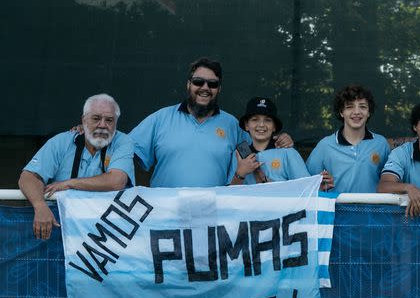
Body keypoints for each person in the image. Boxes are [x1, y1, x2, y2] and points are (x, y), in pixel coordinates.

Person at [129, 57, 291, 188]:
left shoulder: (231, 125)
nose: (205, 87)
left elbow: (256, 149)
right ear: (188, 84)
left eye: (212, 84)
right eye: (198, 82)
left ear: (219, 88)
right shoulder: (160, 118)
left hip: (213, 219)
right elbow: (126, 151)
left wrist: (279, 140)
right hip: (166, 215)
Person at [19, 94, 135, 240]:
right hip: (60, 233)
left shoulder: (123, 142)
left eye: (109, 120)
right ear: (83, 120)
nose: (103, 125)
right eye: (96, 118)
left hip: (108, 237)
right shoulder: (61, 141)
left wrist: (69, 183)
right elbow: (28, 177)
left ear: (116, 123)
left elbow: (116, 181)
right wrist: (40, 205)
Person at [306, 85, 390, 193]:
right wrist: (319, 186)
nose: (356, 112)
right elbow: (307, 183)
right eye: (350, 107)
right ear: (341, 112)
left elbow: (390, 182)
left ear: (369, 112)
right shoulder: (325, 145)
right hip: (337, 209)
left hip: (373, 209)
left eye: (363, 107)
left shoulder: (381, 143)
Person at [231, 97, 310, 184]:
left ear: (274, 127)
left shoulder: (288, 153)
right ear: (246, 125)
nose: (261, 124)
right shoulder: (239, 155)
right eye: (255, 119)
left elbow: (306, 188)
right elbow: (227, 195)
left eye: (267, 120)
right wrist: (240, 174)